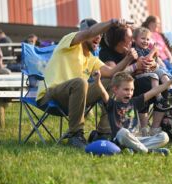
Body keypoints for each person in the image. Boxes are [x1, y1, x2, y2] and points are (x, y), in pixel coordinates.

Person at [36, 18, 138, 148]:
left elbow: (112, 72)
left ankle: (104, 132)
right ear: (85, 33)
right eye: (96, 34)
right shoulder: (70, 41)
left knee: (113, 81)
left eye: (101, 35)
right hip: (50, 95)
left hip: (75, 97)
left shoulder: (91, 59)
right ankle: (75, 134)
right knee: (81, 82)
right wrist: (112, 23)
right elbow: (89, 32)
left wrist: (128, 59)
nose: (98, 38)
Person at [99, 24, 167, 137]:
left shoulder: (134, 46)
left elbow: (152, 60)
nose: (133, 40)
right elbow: (114, 77)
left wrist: (152, 64)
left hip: (138, 81)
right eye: (130, 38)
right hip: (122, 89)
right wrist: (135, 67)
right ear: (120, 41)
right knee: (143, 86)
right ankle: (143, 129)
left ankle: (155, 128)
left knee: (162, 86)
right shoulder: (106, 52)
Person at [95, 71, 172, 154]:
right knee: (123, 132)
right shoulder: (112, 104)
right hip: (120, 139)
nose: (129, 93)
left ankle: (134, 149)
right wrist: (98, 80)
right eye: (126, 89)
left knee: (164, 137)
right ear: (115, 90)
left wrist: (171, 81)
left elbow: (154, 91)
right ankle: (148, 151)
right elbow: (103, 93)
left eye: (132, 90)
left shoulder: (134, 102)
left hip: (136, 139)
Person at [132, 27, 172, 110]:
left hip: (148, 71)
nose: (145, 41)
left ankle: (171, 90)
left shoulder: (147, 50)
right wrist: (153, 51)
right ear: (135, 39)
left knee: (161, 72)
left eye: (147, 39)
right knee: (154, 76)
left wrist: (155, 54)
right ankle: (159, 98)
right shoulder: (136, 49)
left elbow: (154, 63)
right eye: (143, 38)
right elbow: (145, 61)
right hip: (139, 74)